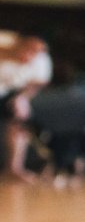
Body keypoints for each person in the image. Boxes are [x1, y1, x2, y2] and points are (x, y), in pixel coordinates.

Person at [0, 35, 52, 182]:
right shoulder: (5, 48)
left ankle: (14, 168)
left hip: (16, 95)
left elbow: (37, 84)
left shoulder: (41, 60)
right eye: (28, 50)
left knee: (19, 123)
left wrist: (22, 98)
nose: (30, 56)